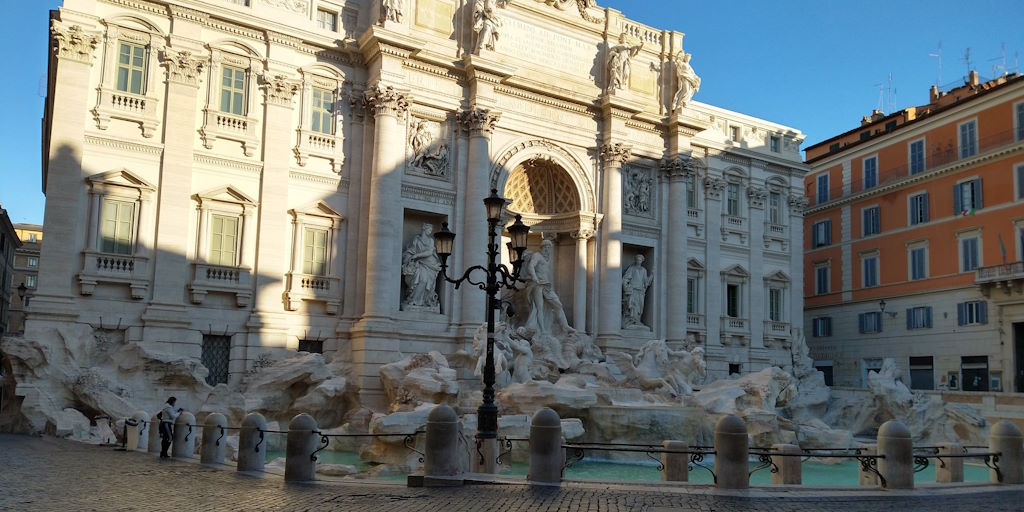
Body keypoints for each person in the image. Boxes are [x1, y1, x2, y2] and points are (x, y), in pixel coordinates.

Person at [523, 240, 573, 335]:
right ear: (541, 248)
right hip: (537, 284)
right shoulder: (537, 255)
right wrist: (534, 278)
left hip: (546, 285)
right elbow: (531, 266)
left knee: (558, 304)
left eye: (549, 247)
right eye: (545, 247)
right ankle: (542, 330)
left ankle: (565, 326)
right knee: (539, 308)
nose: (547, 249)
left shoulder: (547, 259)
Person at [401, 223, 441, 308]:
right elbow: (412, 250)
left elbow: (430, 252)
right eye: (429, 230)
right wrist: (411, 257)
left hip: (430, 263)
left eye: (431, 230)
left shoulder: (431, 240)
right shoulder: (417, 239)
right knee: (421, 279)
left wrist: (417, 256)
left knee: (425, 281)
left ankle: (423, 301)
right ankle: (414, 300)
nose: (430, 232)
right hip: (419, 263)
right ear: (424, 229)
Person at [622, 254, 653, 328]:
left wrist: (652, 275)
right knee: (632, 306)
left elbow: (646, 282)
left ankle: (637, 321)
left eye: (640, 260)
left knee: (639, 308)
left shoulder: (643, 270)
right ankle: (631, 321)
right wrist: (626, 287)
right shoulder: (632, 268)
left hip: (640, 291)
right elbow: (625, 279)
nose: (638, 261)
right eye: (637, 259)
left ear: (642, 261)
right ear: (635, 260)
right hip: (633, 290)